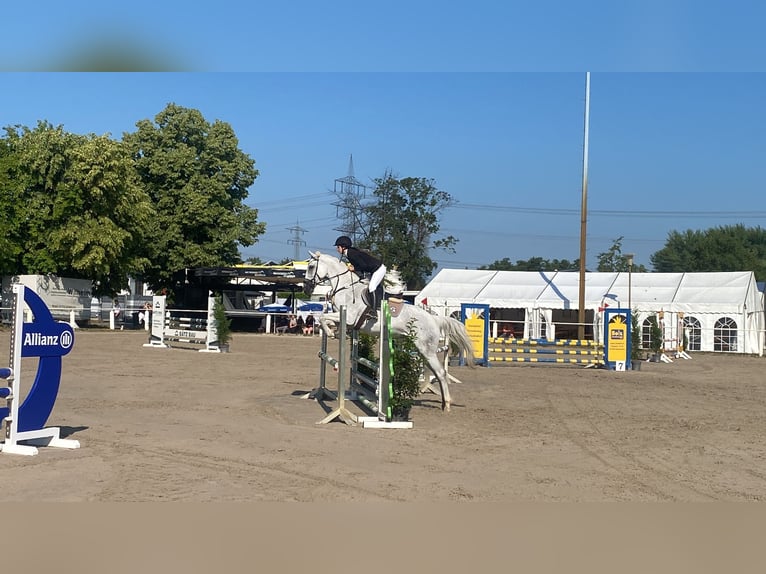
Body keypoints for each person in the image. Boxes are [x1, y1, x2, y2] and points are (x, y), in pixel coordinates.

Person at [333, 235, 387, 317]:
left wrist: (354, 268)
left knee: (371, 287)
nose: (337, 249)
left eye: (338, 247)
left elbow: (363, 265)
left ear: (343, 247)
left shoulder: (351, 254)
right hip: (373, 270)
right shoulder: (349, 253)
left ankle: (374, 311)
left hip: (378, 269)